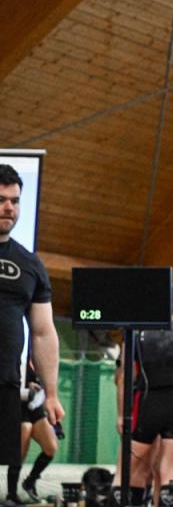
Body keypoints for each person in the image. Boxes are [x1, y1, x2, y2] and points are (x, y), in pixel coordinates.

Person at [0, 164, 64, 481]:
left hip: (5, 383)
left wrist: (51, 393)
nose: (8, 208)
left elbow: (43, 332)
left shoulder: (29, 264)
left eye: (14, 201)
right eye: (1, 200)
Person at [112, 284, 173, 507]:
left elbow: (124, 378)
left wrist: (121, 415)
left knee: (131, 472)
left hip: (148, 402)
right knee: (170, 473)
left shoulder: (135, 333)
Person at [6, 364, 60, 504]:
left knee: (51, 447)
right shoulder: (13, 357)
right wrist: (24, 389)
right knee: (22, 445)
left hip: (34, 406)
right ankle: (11, 495)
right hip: (17, 406)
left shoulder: (39, 361)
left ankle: (30, 481)